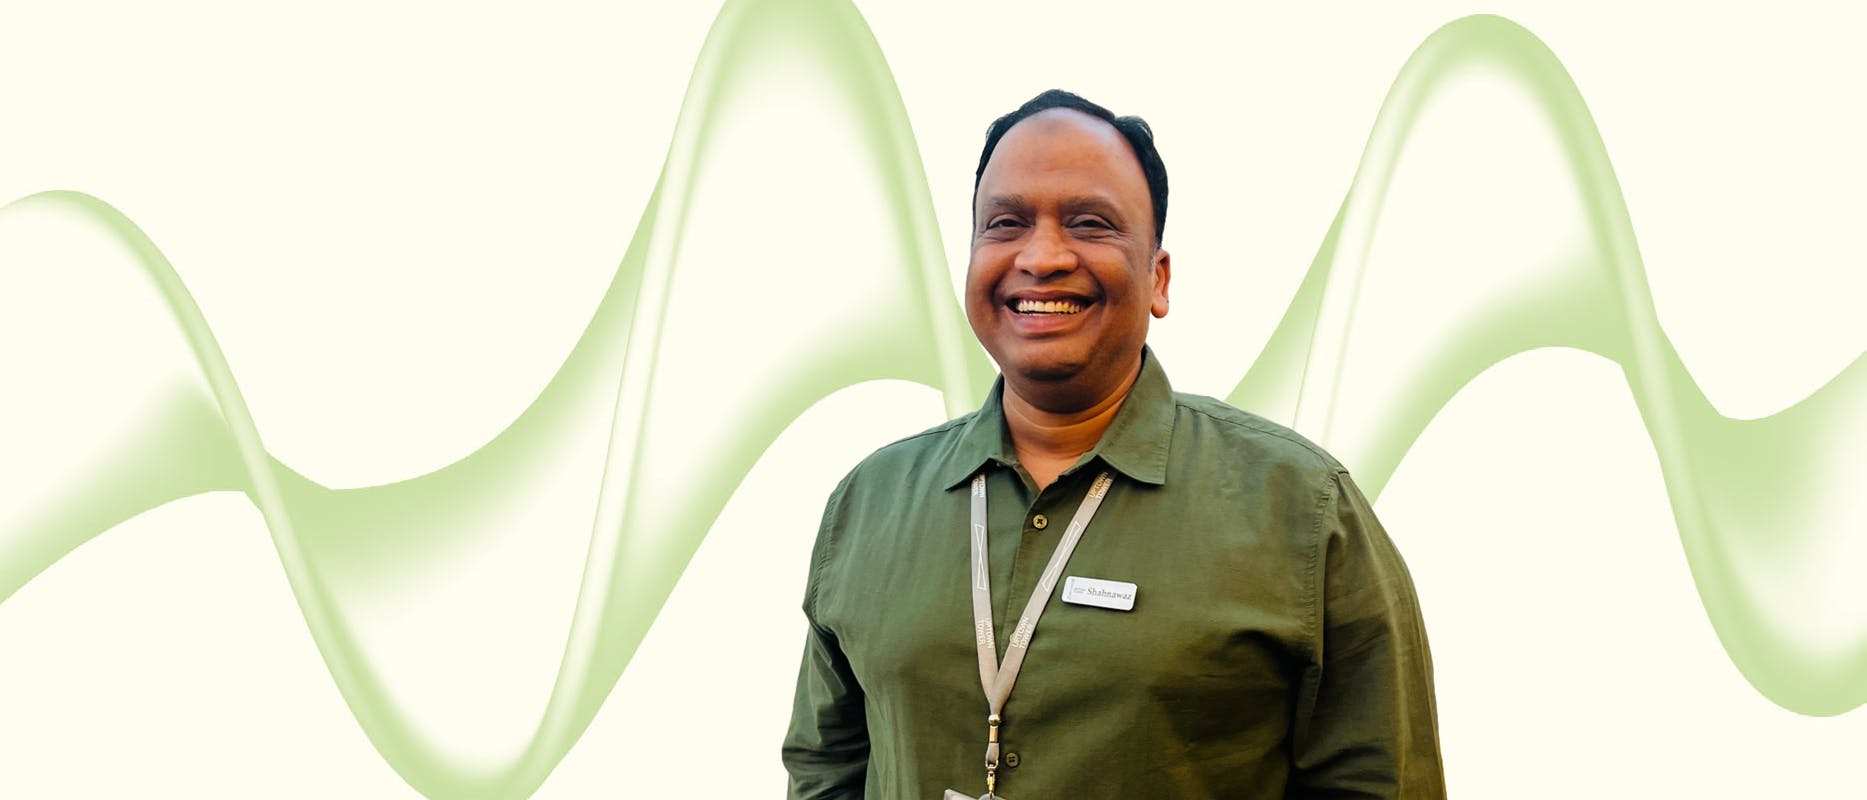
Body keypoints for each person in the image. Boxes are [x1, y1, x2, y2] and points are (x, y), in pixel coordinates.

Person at [782, 89, 1444, 799]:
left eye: (1089, 223)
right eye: (1005, 224)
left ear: (1158, 278)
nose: (1041, 256)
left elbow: (1382, 785)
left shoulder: (1303, 511)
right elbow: (825, 769)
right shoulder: (870, 502)